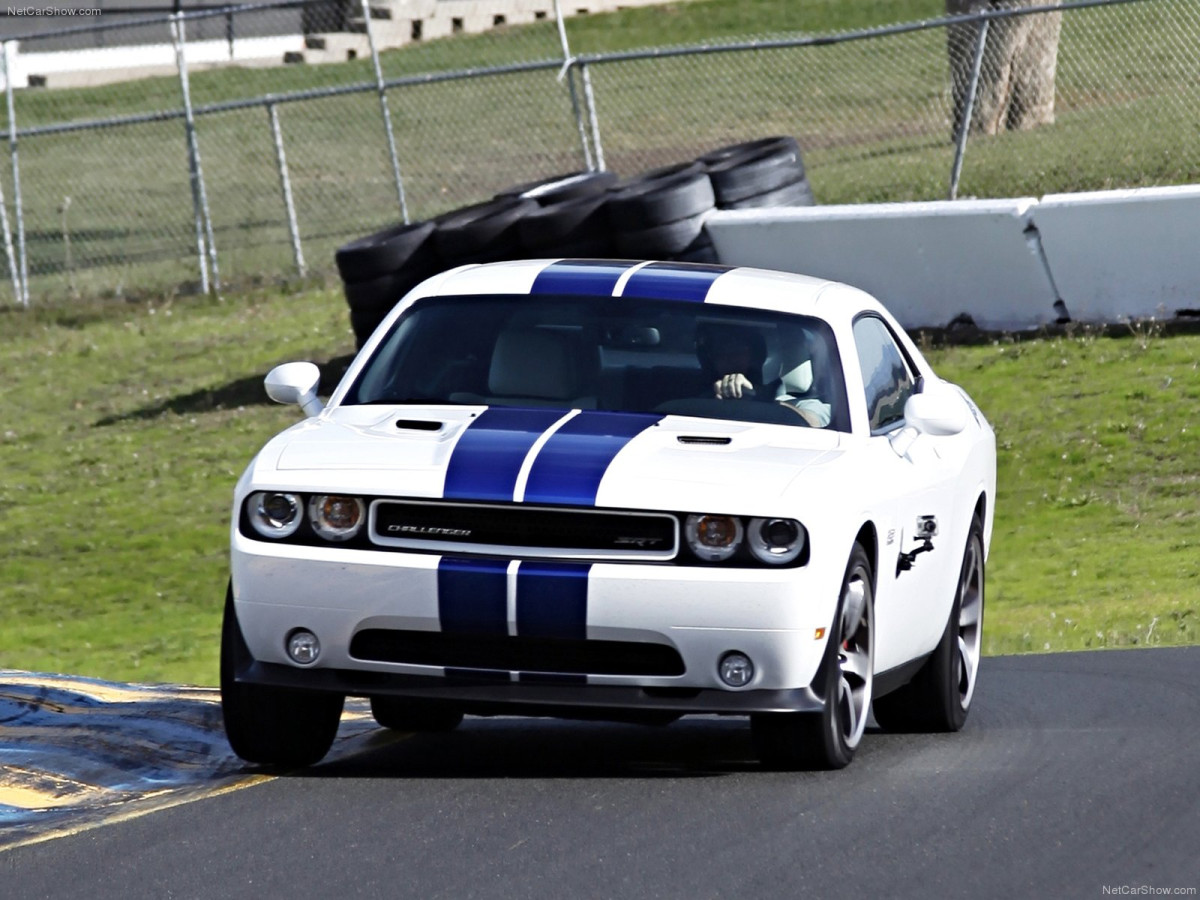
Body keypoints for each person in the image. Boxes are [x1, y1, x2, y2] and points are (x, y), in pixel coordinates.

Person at [696, 323, 831, 427]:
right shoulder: (696, 402)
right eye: (721, 352)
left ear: (757, 355)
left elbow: (812, 422)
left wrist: (757, 399)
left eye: (738, 351)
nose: (729, 358)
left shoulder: (804, 405)